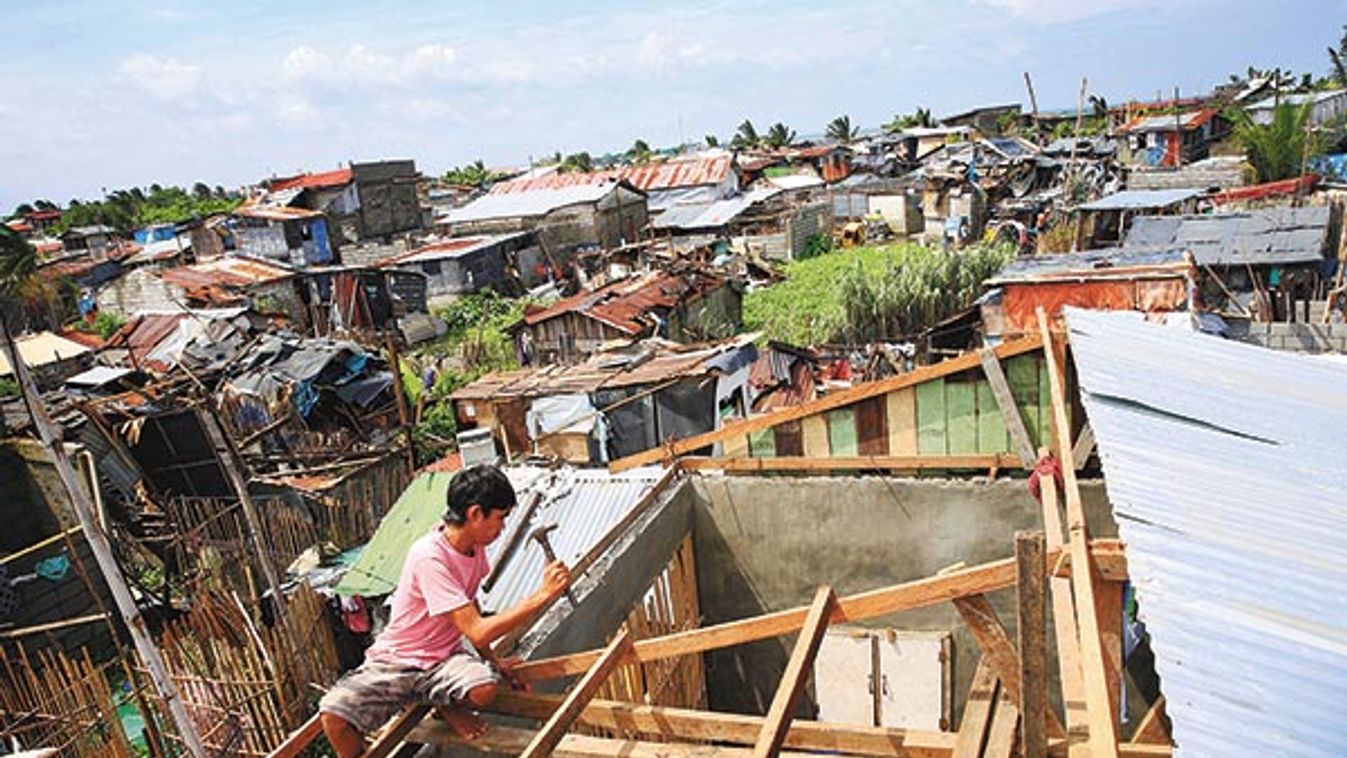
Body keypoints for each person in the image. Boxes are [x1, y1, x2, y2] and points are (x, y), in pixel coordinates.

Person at [319, 465, 571, 757]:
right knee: (334, 716)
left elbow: (471, 610)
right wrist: (542, 595)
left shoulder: (473, 551)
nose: (502, 527)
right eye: (500, 518)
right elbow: (477, 628)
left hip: (442, 659)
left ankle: (444, 703)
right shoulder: (429, 557)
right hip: (398, 661)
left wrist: (494, 660)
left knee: (484, 689)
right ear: (475, 514)